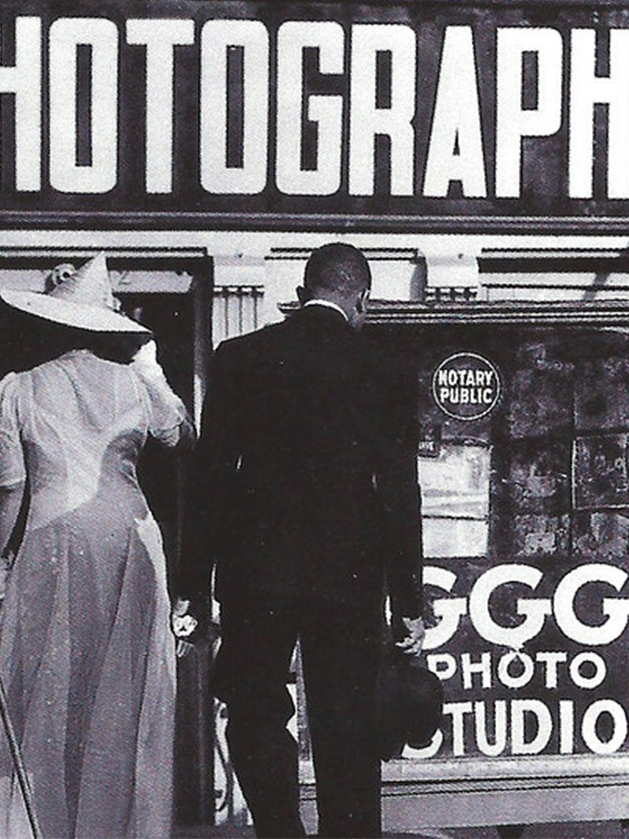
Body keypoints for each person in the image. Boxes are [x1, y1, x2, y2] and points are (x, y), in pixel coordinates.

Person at [0, 255, 194, 839]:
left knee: (47, 687)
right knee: (121, 688)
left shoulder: (19, 389)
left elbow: (8, 489)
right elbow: (182, 438)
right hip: (130, 539)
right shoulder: (136, 383)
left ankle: (41, 822)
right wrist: (155, 374)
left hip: (56, 541)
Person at [179, 242, 425, 838]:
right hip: (351, 576)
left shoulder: (239, 358)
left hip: (256, 574)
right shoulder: (383, 367)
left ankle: (280, 832)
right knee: (347, 721)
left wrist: (191, 586)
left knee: (258, 710)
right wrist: (409, 602)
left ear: (299, 293)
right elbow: (399, 492)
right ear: (361, 299)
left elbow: (209, 479)